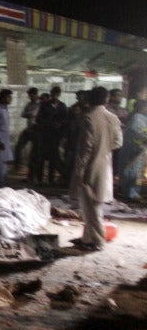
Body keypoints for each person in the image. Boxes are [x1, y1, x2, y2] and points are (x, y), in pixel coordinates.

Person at [69, 86, 122, 252]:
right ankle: (87, 238)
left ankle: (97, 241)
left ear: (89, 99)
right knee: (93, 205)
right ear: (107, 100)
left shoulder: (88, 118)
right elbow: (118, 143)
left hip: (90, 166)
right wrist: (105, 149)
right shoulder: (113, 118)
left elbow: (86, 147)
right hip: (105, 164)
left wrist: (80, 170)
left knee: (91, 207)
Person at [33, 86, 68, 185]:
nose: (55, 96)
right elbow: (39, 119)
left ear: (59, 94)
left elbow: (65, 120)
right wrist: (49, 123)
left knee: (53, 158)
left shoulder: (62, 106)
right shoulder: (44, 105)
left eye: (56, 94)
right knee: (42, 157)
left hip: (55, 136)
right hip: (45, 134)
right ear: (51, 94)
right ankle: (40, 178)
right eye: (53, 94)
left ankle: (50, 179)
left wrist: (60, 126)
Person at [115, 99, 147, 200]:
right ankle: (130, 193)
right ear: (141, 107)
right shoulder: (137, 117)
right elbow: (136, 131)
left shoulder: (138, 117)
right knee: (132, 170)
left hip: (136, 148)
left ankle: (130, 191)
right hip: (133, 148)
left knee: (134, 170)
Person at [14, 87, 40, 176]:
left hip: (36, 130)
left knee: (34, 152)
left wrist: (30, 114)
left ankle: (32, 172)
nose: (30, 97)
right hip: (29, 129)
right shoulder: (29, 104)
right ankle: (18, 165)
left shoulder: (40, 104)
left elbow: (34, 114)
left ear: (35, 94)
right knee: (19, 146)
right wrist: (30, 114)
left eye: (31, 95)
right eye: (29, 95)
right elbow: (23, 114)